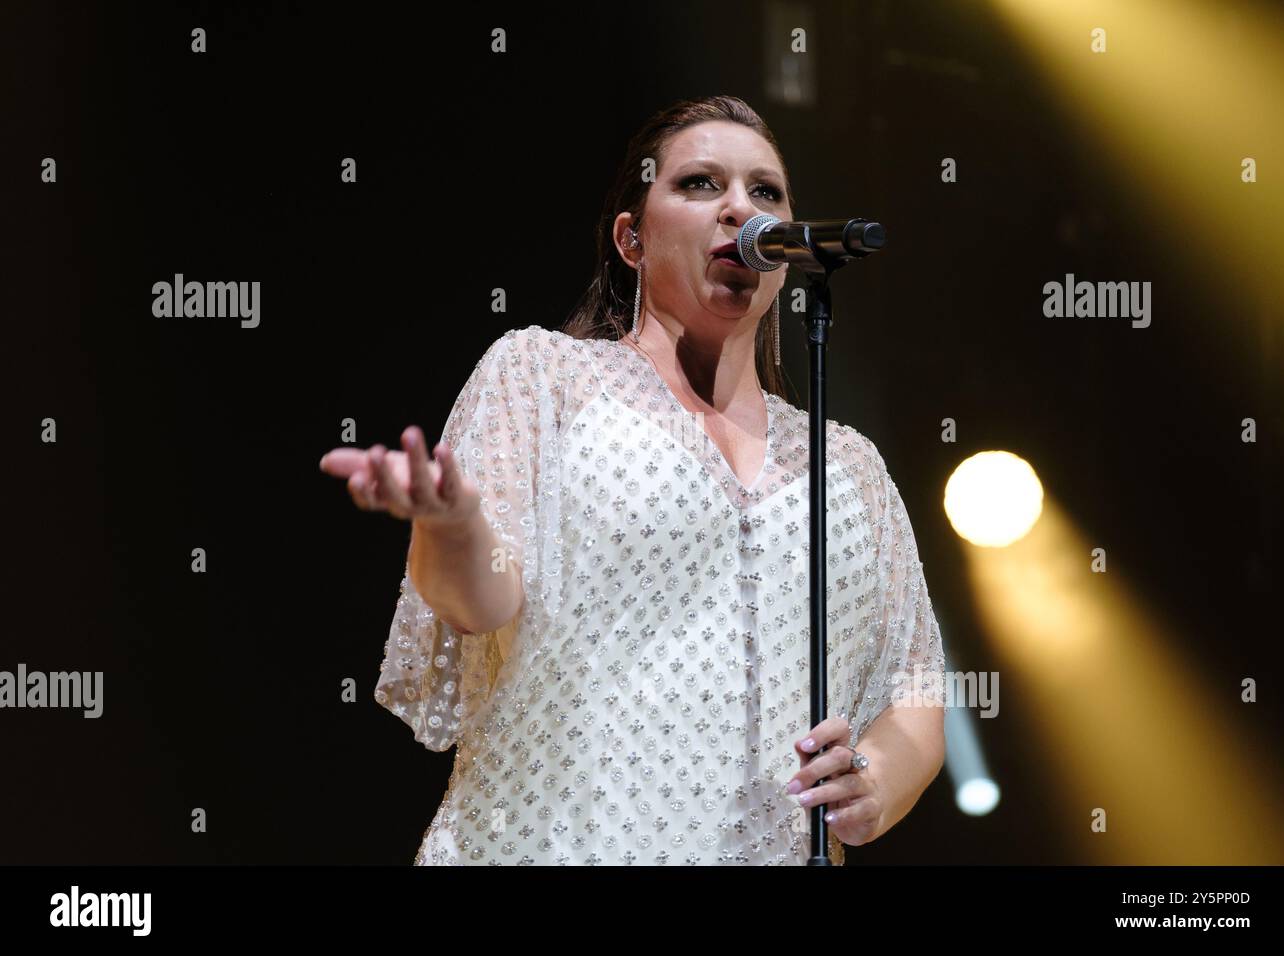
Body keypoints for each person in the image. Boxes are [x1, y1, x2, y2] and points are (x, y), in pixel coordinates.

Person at [320, 95, 947, 865]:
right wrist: (451, 523)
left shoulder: (847, 464)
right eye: (699, 184)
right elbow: (480, 602)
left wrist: (875, 780)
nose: (739, 210)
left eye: (766, 193)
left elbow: (914, 689)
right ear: (631, 239)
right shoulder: (545, 377)